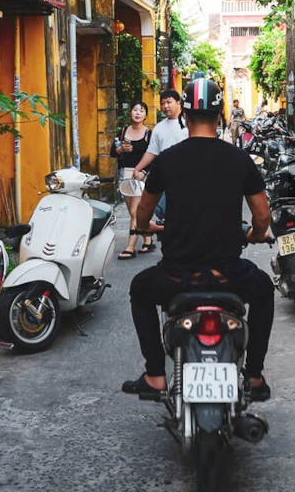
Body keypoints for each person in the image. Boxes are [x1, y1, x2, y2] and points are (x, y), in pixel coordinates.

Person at [121, 77, 275, 402]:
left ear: (184, 117)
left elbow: (144, 213)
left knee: (139, 289)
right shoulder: (239, 159)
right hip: (228, 275)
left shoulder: (167, 160)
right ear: (220, 115)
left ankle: (155, 375)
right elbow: (262, 217)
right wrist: (256, 235)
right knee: (263, 290)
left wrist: (148, 229)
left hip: (176, 277)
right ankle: (256, 376)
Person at [129, 88, 188, 231]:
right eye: (162, 103)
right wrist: (139, 167)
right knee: (163, 211)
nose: (165, 106)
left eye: (169, 102)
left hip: (186, 176)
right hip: (166, 177)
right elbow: (152, 151)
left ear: (178, 103)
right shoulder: (159, 128)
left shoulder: (188, 124)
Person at [113, 101, 153, 259]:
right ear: (130, 113)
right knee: (132, 211)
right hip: (125, 174)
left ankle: (130, 247)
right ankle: (147, 237)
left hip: (140, 176)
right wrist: (121, 149)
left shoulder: (149, 134)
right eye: (135, 110)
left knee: (135, 212)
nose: (137, 113)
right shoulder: (123, 132)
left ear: (145, 115)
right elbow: (112, 152)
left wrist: (144, 171)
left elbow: (154, 156)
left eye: (141, 110)